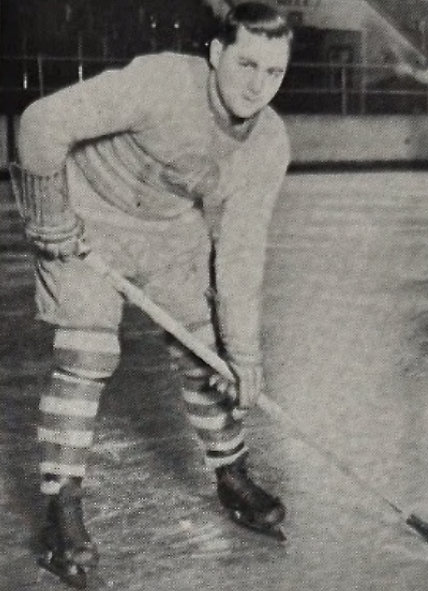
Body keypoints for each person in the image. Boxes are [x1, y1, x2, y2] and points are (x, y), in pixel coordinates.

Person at [12, 2, 292, 588]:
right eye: (246, 64)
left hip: (168, 231)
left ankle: (232, 474)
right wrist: (50, 215)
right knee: (87, 355)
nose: (257, 86)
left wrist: (243, 354)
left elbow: (241, 252)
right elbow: (40, 122)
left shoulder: (268, 143)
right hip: (85, 216)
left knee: (207, 355)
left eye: (274, 72)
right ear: (216, 53)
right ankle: (62, 512)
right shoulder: (162, 81)